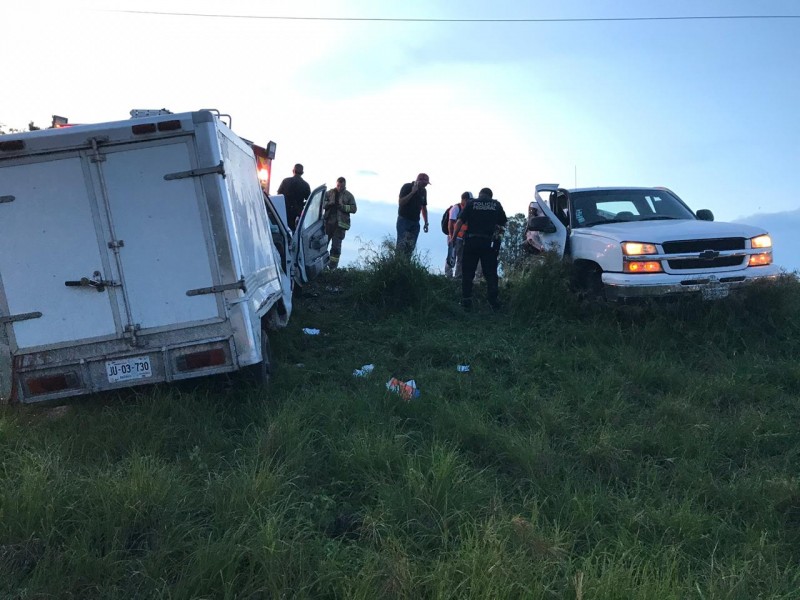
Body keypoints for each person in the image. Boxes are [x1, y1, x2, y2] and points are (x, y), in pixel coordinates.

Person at [452, 187, 507, 311]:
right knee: (491, 274)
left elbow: (459, 221)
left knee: (467, 273)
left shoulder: (471, 203)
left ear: (480, 194)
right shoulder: (496, 205)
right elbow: (503, 222)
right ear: (490, 196)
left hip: (471, 241)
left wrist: (453, 238)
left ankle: (466, 301)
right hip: (488, 243)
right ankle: (493, 302)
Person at [323, 177, 357, 269]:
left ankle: (332, 268)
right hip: (328, 224)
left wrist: (343, 207)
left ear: (345, 185)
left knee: (336, 248)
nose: (339, 187)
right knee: (322, 245)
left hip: (340, 226)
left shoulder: (349, 196)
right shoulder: (329, 193)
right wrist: (329, 203)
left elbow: (354, 209)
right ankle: (321, 265)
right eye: (338, 185)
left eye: (341, 186)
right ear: (336, 184)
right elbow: (321, 204)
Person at [396, 173, 430, 256]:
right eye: (424, 183)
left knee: (410, 247)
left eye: (426, 184)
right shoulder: (407, 187)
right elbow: (401, 202)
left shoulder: (423, 191)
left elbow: (424, 208)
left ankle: (406, 266)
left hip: (415, 222)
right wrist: (412, 192)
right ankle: (397, 265)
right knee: (401, 245)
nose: (425, 185)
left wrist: (426, 222)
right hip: (404, 220)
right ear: (419, 181)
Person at [445, 191, 472, 278]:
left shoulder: (468, 209)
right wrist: (451, 237)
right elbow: (450, 223)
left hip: (463, 238)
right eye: (468, 200)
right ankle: (448, 275)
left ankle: (458, 276)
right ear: (464, 199)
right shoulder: (456, 208)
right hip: (455, 237)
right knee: (451, 256)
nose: (470, 202)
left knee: (461, 258)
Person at [277, 163, 311, 229]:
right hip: (297, 213)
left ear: (293, 171)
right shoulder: (306, 185)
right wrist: (301, 204)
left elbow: (279, 195)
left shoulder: (285, 181)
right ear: (302, 173)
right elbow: (308, 199)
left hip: (285, 211)